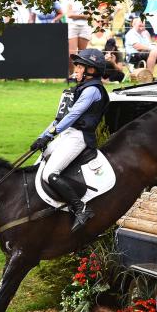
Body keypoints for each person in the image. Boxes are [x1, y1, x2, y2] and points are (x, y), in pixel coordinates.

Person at [29, 48, 110, 232]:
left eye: (80, 66)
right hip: (68, 133)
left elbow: (73, 115)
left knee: (50, 173)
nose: (76, 69)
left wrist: (50, 135)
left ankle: (81, 208)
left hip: (79, 137)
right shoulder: (77, 89)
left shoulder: (92, 90)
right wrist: (41, 138)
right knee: (43, 157)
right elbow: (60, 117)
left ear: (92, 70)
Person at [64, 0, 93, 76]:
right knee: (71, 54)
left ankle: (80, 74)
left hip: (85, 27)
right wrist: (83, 16)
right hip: (72, 26)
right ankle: (72, 73)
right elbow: (69, 15)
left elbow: (90, 15)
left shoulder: (89, 0)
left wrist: (75, 16)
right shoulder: (71, 0)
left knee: (82, 54)